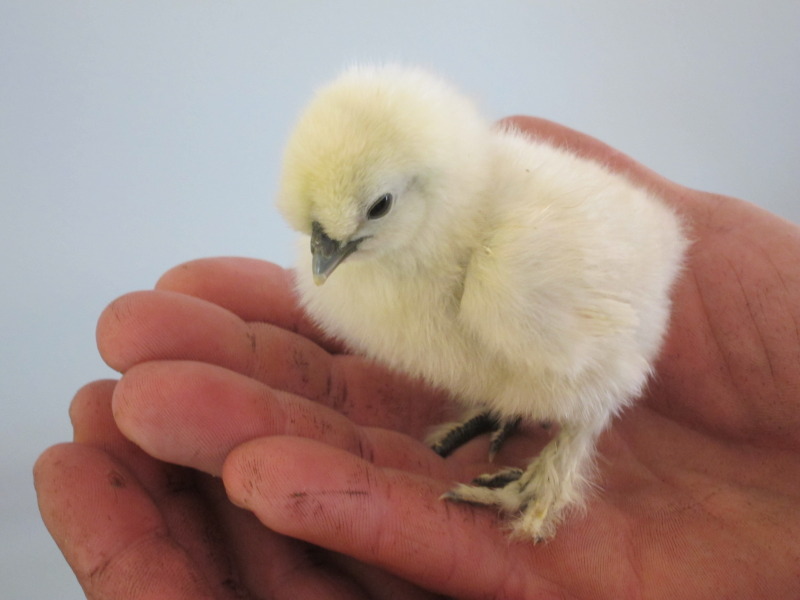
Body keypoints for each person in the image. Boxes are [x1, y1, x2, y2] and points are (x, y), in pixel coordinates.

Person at [34, 117, 800, 599]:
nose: (322, 255)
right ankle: (511, 399)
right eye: (313, 230)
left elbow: (613, 356)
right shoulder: (342, 254)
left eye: (366, 214)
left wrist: (569, 436)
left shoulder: (516, 261)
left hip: (568, 284)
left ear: (421, 189)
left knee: (528, 323)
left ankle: (558, 467)